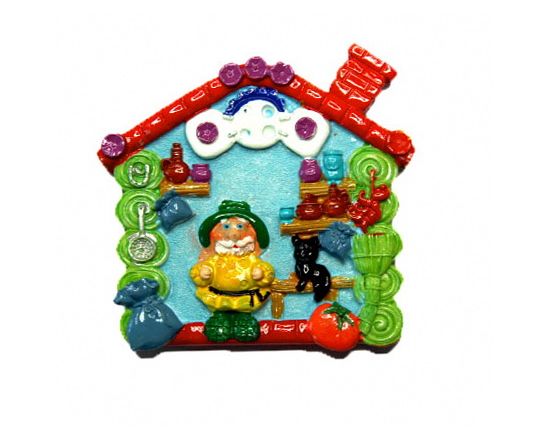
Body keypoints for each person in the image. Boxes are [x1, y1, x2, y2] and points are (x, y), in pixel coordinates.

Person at [190, 200, 274, 342]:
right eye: (227, 227)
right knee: (219, 314)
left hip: (246, 297)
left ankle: (244, 322)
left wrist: (261, 274)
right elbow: (201, 270)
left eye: (240, 226)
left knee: (244, 315)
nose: (233, 235)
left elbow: (266, 270)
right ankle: (219, 322)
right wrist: (203, 273)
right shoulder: (215, 259)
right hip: (218, 295)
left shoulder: (252, 259)